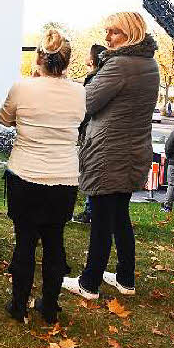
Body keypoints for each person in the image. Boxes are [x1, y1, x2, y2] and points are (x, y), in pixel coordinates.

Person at [64, 12, 160, 300]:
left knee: (103, 218)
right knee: (119, 215)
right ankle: (125, 277)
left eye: (114, 32)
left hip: (108, 150)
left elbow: (88, 102)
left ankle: (89, 282)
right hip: (133, 148)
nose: (107, 38)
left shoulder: (119, 64)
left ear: (130, 33)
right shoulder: (149, 63)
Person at [0, 29, 85, 323]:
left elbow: (5, 118)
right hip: (63, 177)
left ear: (38, 58)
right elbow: (79, 121)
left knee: (24, 241)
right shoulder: (79, 91)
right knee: (54, 241)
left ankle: (19, 304)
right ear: (67, 61)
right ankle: (49, 306)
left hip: (26, 173)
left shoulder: (22, 88)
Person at [71, 44, 107, 225]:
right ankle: (91, 210)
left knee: (90, 169)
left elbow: (87, 107)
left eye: (87, 54)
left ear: (92, 60)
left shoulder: (95, 79)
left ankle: (90, 212)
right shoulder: (98, 77)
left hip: (90, 132)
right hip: (91, 131)